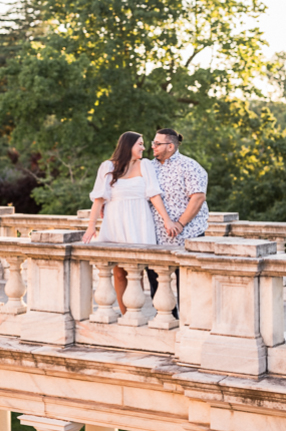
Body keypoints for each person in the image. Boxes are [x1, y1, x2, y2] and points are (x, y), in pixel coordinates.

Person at [82, 131, 179, 315]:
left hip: (140, 221)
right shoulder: (107, 167)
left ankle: (136, 313)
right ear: (128, 146)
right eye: (140, 144)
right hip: (115, 222)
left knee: (136, 271)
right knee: (119, 273)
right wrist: (91, 226)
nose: (144, 147)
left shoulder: (145, 165)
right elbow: (98, 199)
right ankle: (126, 314)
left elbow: (154, 194)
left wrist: (168, 220)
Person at [146, 128, 210, 318]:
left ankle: (190, 324)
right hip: (156, 238)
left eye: (157, 144)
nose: (153, 147)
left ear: (170, 146)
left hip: (187, 236)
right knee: (157, 285)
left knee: (188, 287)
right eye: (152, 142)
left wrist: (180, 224)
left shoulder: (189, 166)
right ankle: (168, 321)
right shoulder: (148, 167)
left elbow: (197, 197)